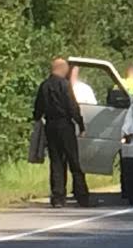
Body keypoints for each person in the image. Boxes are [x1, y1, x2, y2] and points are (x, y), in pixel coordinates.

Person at [33, 57, 91, 208]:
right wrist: (81, 124)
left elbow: (37, 109)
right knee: (74, 161)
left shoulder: (44, 86)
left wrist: (38, 120)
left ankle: (58, 197)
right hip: (65, 125)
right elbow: (72, 106)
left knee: (56, 162)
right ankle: (82, 196)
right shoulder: (64, 85)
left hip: (51, 126)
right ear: (62, 69)